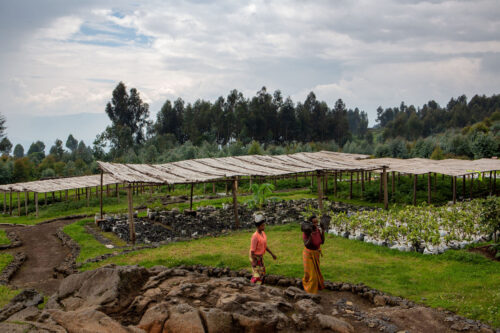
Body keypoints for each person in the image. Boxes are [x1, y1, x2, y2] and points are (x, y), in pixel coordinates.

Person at [302, 215, 325, 293]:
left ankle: (314, 287)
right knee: (312, 275)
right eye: (314, 222)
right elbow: (306, 244)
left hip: (316, 253)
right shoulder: (307, 232)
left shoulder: (318, 230)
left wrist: (323, 230)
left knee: (316, 272)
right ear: (310, 223)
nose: (316, 224)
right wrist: (311, 235)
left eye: (317, 222)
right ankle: (310, 292)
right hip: (309, 255)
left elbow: (322, 241)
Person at [249, 219, 276, 284]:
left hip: (260, 256)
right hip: (254, 256)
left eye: (264, 225)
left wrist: (272, 254)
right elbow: (252, 250)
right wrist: (254, 261)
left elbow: (265, 245)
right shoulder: (255, 236)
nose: (264, 227)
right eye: (262, 226)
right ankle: (252, 286)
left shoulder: (263, 233)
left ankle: (258, 287)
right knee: (256, 275)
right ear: (258, 227)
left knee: (262, 273)